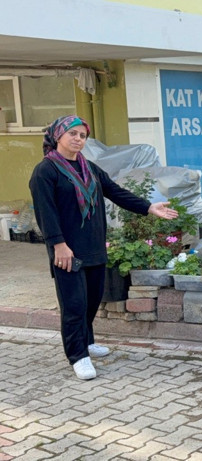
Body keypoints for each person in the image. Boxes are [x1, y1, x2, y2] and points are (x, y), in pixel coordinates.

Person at [29, 115, 179, 381]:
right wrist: (58, 245)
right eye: (72, 134)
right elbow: (46, 213)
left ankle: (86, 342)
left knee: (91, 301)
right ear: (58, 136)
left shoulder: (89, 168)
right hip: (67, 250)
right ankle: (77, 356)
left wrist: (148, 207)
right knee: (73, 304)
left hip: (94, 246)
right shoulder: (46, 171)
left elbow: (115, 191)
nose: (78, 139)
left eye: (82, 135)